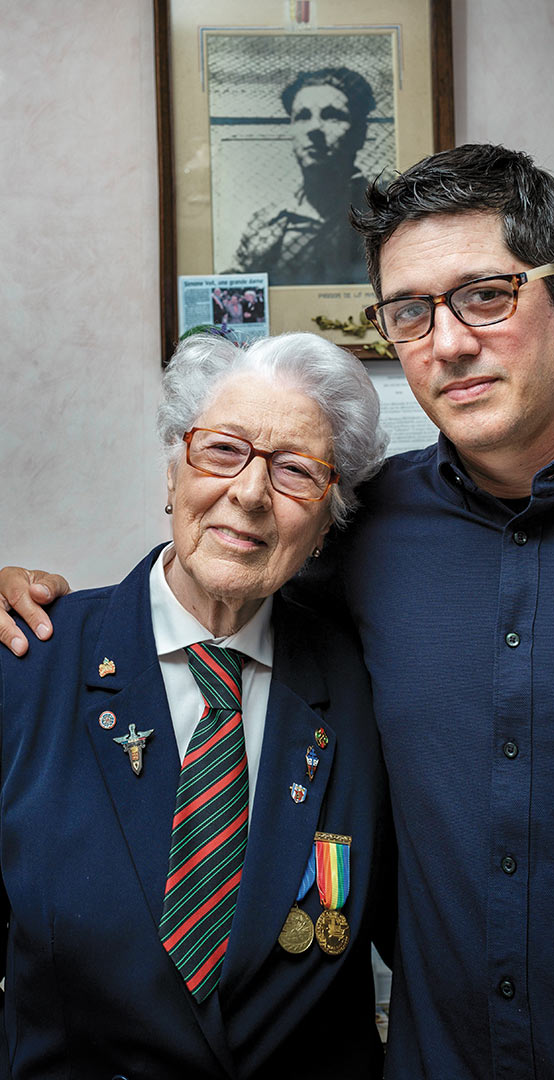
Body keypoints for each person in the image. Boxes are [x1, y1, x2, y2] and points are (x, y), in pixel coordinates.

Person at [4, 142, 554, 1080]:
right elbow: (213, 577)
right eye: (410, 311)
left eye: (486, 296)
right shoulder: (372, 526)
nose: (448, 342)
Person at [0, 329, 392, 1078]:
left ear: (326, 522)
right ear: (173, 472)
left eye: (295, 471)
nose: (249, 493)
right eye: (222, 451)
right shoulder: (28, 663)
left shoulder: (365, 691)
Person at [225, 67, 375, 285]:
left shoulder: (382, 215)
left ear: (359, 134)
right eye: (303, 116)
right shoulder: (265, 225)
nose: (314, 128)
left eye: (332, 116)